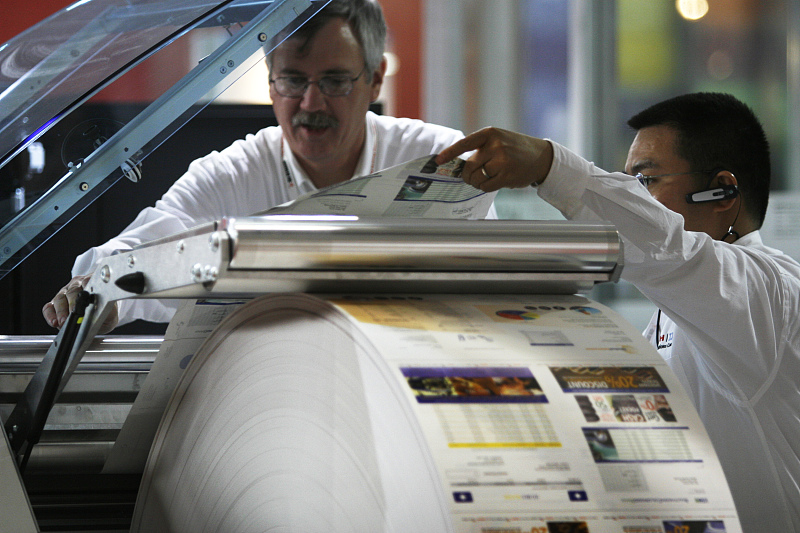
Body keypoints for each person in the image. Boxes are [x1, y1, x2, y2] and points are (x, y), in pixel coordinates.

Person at [436, 92, 800, 532]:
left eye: (645, 182)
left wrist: (550, 166)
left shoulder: (768, 292)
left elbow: (666, 246)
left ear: (723, 191)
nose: (634, 201)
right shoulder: (678, 310)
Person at [43, 0, 481, 332]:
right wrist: (100, 293)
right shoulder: (232, 174)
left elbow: (486, 283)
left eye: (333, 80)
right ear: (271, 82)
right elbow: (149, 245)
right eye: (293, 80)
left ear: (375, 78)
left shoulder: (435, 157)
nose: (311, 103)